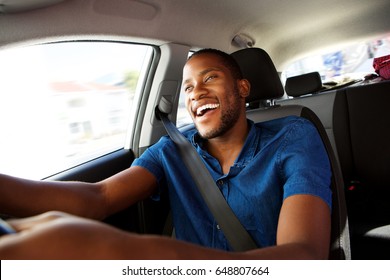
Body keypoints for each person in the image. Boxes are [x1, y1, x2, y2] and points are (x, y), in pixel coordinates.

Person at [0, 49, 332, 259]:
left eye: (210, 78)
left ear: (242, 88)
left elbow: (304, 254)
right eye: (188, 87)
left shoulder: (293, 135)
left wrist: (121, 252)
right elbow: (98, 196)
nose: (196, 91)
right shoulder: (172, 150)